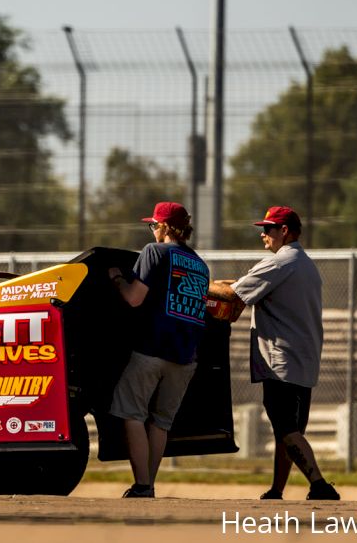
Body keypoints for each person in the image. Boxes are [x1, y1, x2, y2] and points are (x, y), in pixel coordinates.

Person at [208, 206, 340, 501]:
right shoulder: (303, 262)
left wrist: (194, 283)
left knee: (286, 428)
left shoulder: (281, 262)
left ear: (284, 231)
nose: (263, 234)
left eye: (268, 228)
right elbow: (240, 285)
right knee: (289, 431)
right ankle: (277, 489)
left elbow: (231, 295)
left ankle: (320, 484)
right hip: (303, 359)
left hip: (281, 360)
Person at [107, 201, 210, 498]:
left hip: (151, 350)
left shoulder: (154, 252)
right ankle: (148, 484)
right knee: (161, 423)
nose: (152, 230)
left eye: (153, 225)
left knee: (132, 414)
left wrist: (116, 278)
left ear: (164, 227)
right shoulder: (200, 264)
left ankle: (141, 485)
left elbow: (134, 299)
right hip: (185, 357)